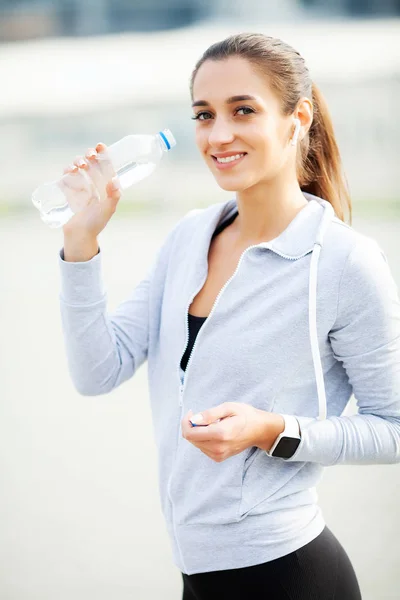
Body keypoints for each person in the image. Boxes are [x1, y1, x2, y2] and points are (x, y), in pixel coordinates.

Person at [58, 33, 400, 599]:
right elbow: (97, 372)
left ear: (297, 119)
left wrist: (271, 431)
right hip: (197, 576)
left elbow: (393, 429)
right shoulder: (190, 236)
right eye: (203, 114)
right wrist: (81, 243)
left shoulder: (343, 263)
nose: (218, 135)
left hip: (291, 576)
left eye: (243, 110)